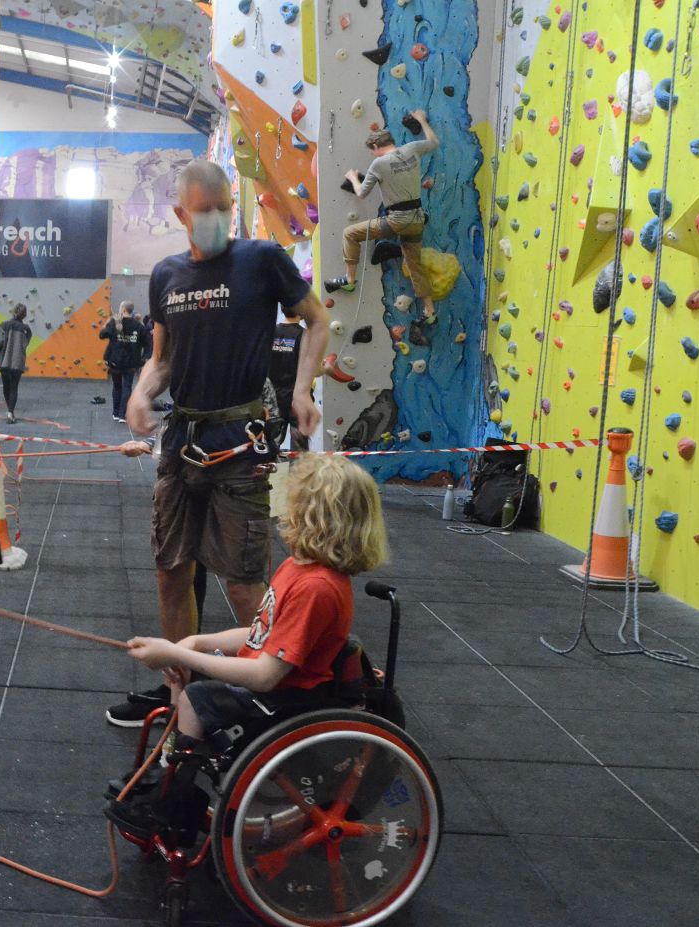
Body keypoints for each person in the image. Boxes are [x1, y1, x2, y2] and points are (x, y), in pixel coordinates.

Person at [106, 159, 330, 728]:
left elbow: (316, 320)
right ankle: (182, 694)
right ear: (180, 213)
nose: (215, 218)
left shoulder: (261, 260)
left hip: (241, 443)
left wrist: (302, 389)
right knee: (171, 570)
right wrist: (140, 395)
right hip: (183, 441)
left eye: (223, 208)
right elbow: (162, 360)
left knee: (245, 583)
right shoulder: (166, 275)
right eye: (203, 210)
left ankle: (270, 699)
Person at [106, 454, 389, 837]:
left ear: (314, 516)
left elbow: (265, 675)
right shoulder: (298, 568)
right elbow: (261, 632)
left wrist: (178, 653)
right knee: (187, 673)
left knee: (196, 697)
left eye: (293, 503)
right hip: (279, 685)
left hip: (286, 697)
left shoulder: (316, 588)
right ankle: (167, 774)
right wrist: (195, 643)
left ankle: (174, 805)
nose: (283, 511)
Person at [324, 110, 440, 319]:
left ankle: (349, 281)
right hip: (417, 220)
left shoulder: (379, 164)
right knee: (415, 265)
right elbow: (433, 142)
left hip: (397, 221)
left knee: (350, 233)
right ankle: (430, 311)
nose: (373, 155)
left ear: (376, 146)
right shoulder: (412, 148)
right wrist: (422, 120)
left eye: (373, 151)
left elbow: (361, 193)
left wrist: (353, 177)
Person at [99, 301, 150, 423]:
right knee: (127, 386)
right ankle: (122, 415)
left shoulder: (113, 323)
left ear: (123, 310)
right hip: (131, 362)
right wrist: (144, 358)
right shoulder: (139, 326)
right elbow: (148, 343)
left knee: (117, 387)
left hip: (115, 361)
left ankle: (116, 413)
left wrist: (106, 323)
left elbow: (102, 335)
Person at [269, 308, 310, 451]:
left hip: (273, 399)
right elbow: (310, 369)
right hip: (297, 399)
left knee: (270, 446)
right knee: (299, 451)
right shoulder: (304, 335)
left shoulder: (270, 332)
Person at [0, 303, 33, 424]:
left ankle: (9, 411)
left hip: (4, 361)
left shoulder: (4, 325)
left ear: (13, 312)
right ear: (24, 315)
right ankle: (10, 412)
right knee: (14, 387)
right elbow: (25, 344)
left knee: (6, 386)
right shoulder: (26, 329)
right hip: (18, 362)